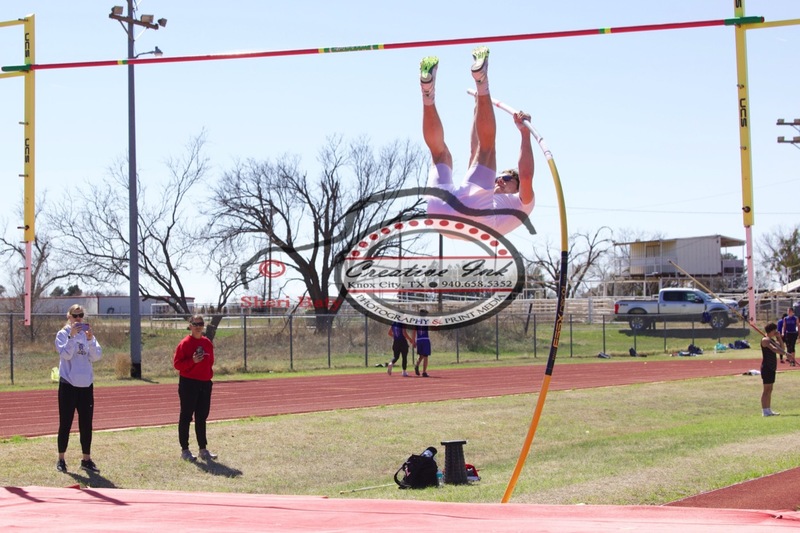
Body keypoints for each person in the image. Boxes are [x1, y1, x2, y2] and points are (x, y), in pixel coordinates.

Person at [420, 46, 535, 234]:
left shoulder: (524, 203)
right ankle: (427, 93)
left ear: (518, 188)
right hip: (439, 214)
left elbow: (527, 176)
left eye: (507, 179)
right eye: (500, 177)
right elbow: (475, 150)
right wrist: (478, 106)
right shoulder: (485, 195)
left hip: (472, 217)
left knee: (488, 149)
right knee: (441, 154)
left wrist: (524, 134)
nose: (499, 181)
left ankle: (482, 81)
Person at [54, 304, 102, 473]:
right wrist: (72, 337)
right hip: (68, 385)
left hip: (86, 386)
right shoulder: (62, 334)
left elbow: (96, 356)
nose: (78, 318)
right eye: (75, 315)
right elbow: (65, 355)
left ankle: (86, 459)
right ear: (69, 316)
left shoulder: (88, 335)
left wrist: (89, 340)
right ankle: (61, 459)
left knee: (86, 424)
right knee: (65, 423)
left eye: (81, 315)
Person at [173, 314, 217, 462]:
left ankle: (203, 449)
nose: (198, 326)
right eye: (195, 324)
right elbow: (177, 364)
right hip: (189, 383)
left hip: (205, 383)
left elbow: (211, 361)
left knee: (201, 417)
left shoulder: (207, 343)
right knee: (186, 416)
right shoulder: (185, 343)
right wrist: (192, 361)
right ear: (190, 326)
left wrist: (207, 375)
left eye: (200, 324)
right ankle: (185, 450)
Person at [760, 322, 788, 417]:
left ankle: (768, 409)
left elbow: (781, 348)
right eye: (774, 330)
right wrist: (785, 354)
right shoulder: (765, 340)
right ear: (771, 331)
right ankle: (764, 410)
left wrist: (779, 338)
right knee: (766, 389)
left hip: (772, 367)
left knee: (770, 389)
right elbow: (774, 349)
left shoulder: (771, 340)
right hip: (766, 367)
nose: (776, 332)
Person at [412, 309, 432, 377]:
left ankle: (417, 366)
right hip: (425, 339)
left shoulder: (416, 321)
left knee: (422, 355)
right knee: (425, 356)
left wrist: (413, 341)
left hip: (419, 340)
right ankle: (424, 372)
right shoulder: (426, 320)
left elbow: (414, 331)